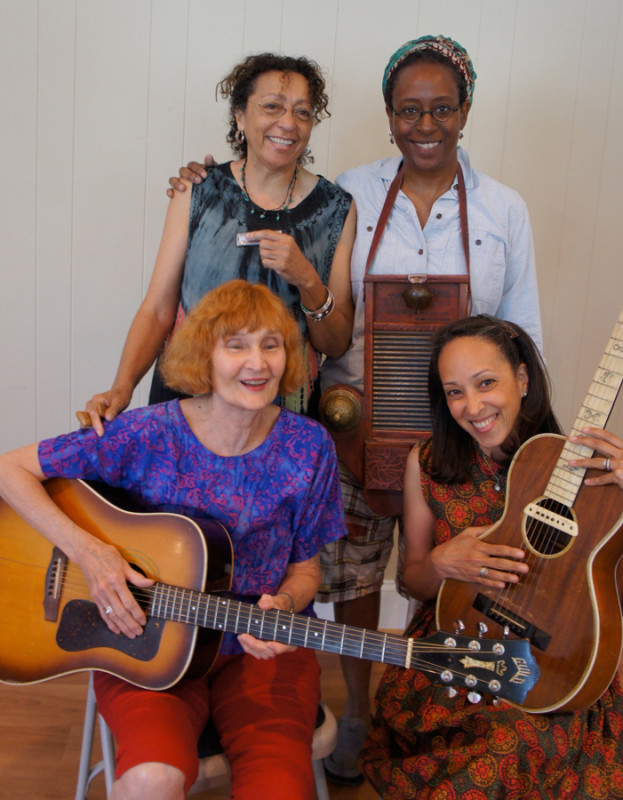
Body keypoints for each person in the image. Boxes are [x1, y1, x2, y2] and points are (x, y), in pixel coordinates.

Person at [171, 34, 544, 785]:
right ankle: (361, 713)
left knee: (456, 574)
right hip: (348, 421)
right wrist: (208, 180)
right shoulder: (350, 191)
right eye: (409, 109)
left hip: (459, 433)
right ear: (387, 114)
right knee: (353, 584)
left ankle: (454, 714)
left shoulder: (503, 209)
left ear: (464, 110)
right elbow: (293, 231)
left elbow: (523, 338)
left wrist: (537, 450)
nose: (425, 123)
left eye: (441, 107)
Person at [0, 280, 348, 800]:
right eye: (237, 345)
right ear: (203, 355)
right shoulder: (146, 434)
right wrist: (90, 552)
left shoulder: (308, 446)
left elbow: (305, 569)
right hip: (143, 642)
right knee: (150, 779)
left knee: (279, 787)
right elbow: (10, 471)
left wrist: (287, 604)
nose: (258, 363)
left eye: (271, 345)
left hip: (259, 650)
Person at [359, 313, 623, 799]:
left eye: (486, 383)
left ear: (522, 379)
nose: (472, 406)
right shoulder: (431, 462)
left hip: (563, 654)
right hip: (461, 643)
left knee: (527, 740)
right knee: (497, 743)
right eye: (455, 391)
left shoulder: (585, 472)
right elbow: (414, 582)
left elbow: (609, 582)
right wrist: (440, 563)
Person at [85, 52, 356, 433]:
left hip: (281, 413)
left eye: (302, 112)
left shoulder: (336, 208)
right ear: (240, 117)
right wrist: (122, 386)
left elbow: (337, 342)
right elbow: (158, 310)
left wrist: (307, 279)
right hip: (186, 399)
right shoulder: (196, 191)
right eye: (272, 107)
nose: (287, 123)